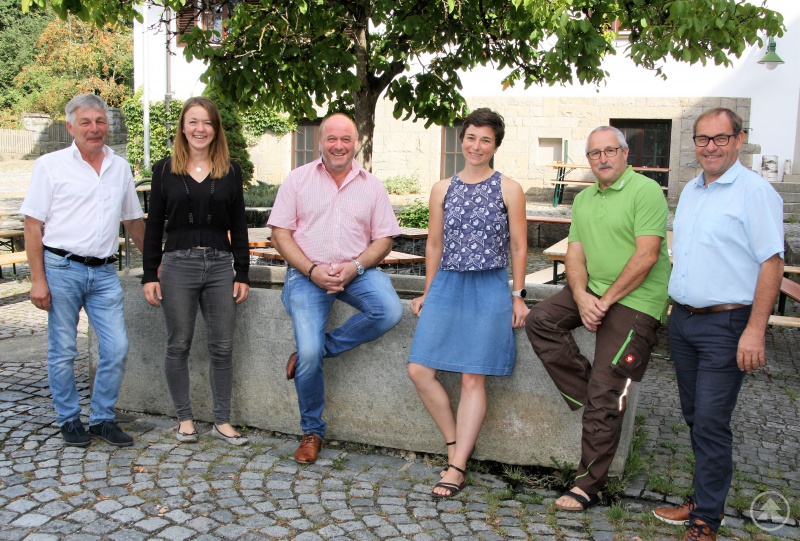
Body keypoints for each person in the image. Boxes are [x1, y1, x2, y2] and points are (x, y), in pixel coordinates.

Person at [652, 108, 783, 541]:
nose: (711, 147)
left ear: (739, 139)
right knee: (694, 416)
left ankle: (706, 519)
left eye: (720, 139)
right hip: (686, 322)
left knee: (710, 419)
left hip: (728, 324)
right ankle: (703, 499)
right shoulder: (691, 189)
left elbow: (772, 263)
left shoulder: (754, 192)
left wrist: (755, 329)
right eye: (703, 139)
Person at [525, 126, 670, 511]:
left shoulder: (646, 191)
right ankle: (594, 395)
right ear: (588, 160)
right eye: (594, 153)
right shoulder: (585, 198)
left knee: (607, 391)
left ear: (626, 155)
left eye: (610, 151)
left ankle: (588, 486)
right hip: (596, 293)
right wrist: (580, 296)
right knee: (540, 320)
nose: (603, 159)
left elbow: (647, 256)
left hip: (636, 300)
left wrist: (601, 301)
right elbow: (575, 254)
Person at [407, 108, 529, 499]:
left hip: (489, 286)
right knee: (419, 370)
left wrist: (518, 294)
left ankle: (456, 468)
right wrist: (428, 290)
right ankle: (454, 446)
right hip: (447, 285)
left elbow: (519, 246)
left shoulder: (509, 188)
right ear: (462, 140)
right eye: (471, 137)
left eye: (486, 140)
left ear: (496, 146)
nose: (476, 146)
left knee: (473, 376)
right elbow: (434, 245)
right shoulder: (442, 188)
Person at [268, 113, 403, 464]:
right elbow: (280, 234)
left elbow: (384, 238)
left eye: (346, 139)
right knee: (309, 350)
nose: (339, 145)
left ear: (355, 142)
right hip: (305, 275)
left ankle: (311, 352)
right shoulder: (297, 181)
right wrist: (311, 270)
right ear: (320, 142)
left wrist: (356, 266)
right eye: (332, 139)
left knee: (389, 310)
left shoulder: (372, 186)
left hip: (357, 271)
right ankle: (312, 431)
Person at [20, 93, 145, 447]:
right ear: (70, 127)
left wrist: (155, 262)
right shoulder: (50, 165)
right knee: (63, 350)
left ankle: (103, 418)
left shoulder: (119, 167)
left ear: (108, 125)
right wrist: (38, 280)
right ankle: (69, 419)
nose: (95, 129)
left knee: (117, 347)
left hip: (104, 273)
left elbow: (133, 220)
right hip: (61, 267)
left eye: (100, 121)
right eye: (86, 122)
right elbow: (32, 225)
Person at [142, 97, 250, 446]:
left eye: (206, 122)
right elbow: (155, 224)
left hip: (220, 266)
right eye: (193, 122)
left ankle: (222, 421)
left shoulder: (230, 170)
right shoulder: (163, 170)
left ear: (215, 128)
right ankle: (185, 419)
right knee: (179, 344)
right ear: (182, 127)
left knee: (222, 347)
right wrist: (149, 274)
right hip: (177, 266)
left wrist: (242, 272)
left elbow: (239, 225)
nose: (200, 129)